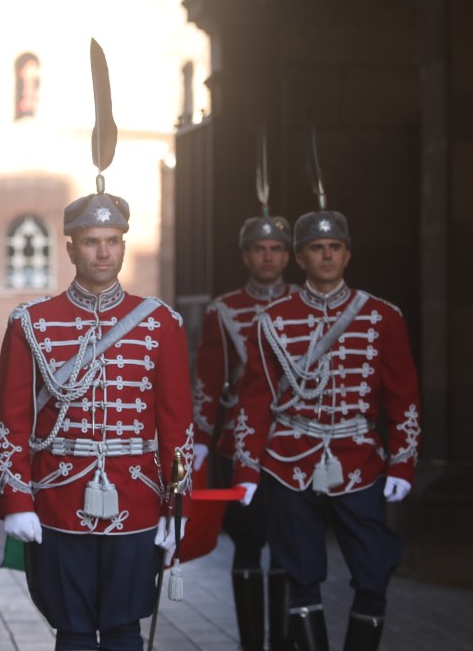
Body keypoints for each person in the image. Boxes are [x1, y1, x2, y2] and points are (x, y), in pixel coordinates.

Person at [0, 190, 196, 651]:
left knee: (124, 629)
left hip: (137, 496)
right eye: (90, 242)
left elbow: (177, 426)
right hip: (59, 498)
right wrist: (17, 500)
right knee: (74, 629)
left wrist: (176, 506)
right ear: (70, 249)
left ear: (123, 244)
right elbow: (10, 421)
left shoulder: (160, 323)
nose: (103, 252)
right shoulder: (30, 322)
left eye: (113, 241)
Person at [231, 209, 421, 651]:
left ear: (348, 254)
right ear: (300, 258)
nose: (327, 255)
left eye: (334, 247)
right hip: (289, 462)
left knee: (374, 573)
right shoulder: (272, 321)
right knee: (301, 576)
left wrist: (404, 463)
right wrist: (246, 471)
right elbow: (255, 403)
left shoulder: (382, 317)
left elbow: (403, 397)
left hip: (360, 461)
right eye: (317, 248)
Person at [192, 214, 294, 650]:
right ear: (246, 256)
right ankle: (252, 642)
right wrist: (199, 437)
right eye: (259, 249)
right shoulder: (224, 309)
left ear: (288, 255)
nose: (267, 257)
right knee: (248, 540)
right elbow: (210, 379)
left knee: (291, 541)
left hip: (296, 443)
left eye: (275, 249)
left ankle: (287, 640)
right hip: (239, 442)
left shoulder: (309, 302)